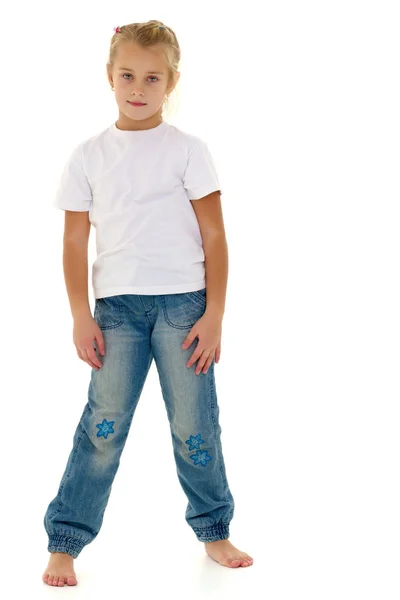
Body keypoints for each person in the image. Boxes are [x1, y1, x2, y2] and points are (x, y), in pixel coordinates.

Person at [42, 19, 254, 587]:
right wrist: (79, 313)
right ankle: (65, 541)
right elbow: (74, 240)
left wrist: (214, 314)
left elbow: (214, 236)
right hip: (117, 313)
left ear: (172, 81)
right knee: (103, 426)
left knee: (195, 425)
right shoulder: (88, 155)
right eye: (128, 75)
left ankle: (214, 530)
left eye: (153, 77)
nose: (139, 88)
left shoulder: (188, 150)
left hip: (185, 309)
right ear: (109, 77)